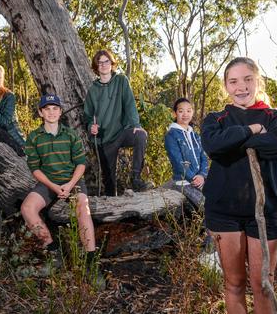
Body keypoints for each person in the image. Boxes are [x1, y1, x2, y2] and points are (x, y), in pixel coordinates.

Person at [201, 57, 277, 314]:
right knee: (235, 283)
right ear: (226, 86)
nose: (241, 86)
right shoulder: (216, 118)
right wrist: (252, 129)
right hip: (223, 212)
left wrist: (231, 143)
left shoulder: (275, 116)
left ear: (257, 81)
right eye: (234, 81)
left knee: (264, 285)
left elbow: (276, 145)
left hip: (264, 212)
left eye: (247, 79)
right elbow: (212, 146)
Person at [20, 94, 99, 269]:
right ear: (41, 113)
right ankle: (54, 252)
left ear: (60, 112)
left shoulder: (71, 135)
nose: (51, 112)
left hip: (73, 181)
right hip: (48, 183)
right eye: (47, 109)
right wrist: (54, 186)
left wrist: (70, 185)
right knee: (27, 208)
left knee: (83, 207)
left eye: (55, 108)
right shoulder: (34, 137)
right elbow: (35, 168)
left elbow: (81, 164)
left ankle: (91, 261)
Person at [84, 49, 151, 196]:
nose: (103, 65)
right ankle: (112, 211)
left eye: (106, 61)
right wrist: (91, 127)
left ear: (111, 63)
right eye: (99, 62)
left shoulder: (121, 80)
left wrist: (135, 125)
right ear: (96, 67)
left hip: (122, 132)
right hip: (105, 139)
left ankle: (135, 178)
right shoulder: (93, 90)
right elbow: (88, 116)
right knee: (109, 183)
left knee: (140, 136)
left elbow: (129, 104)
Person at [164, 97, 208, 208]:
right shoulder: (171, 135)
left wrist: (202, 175)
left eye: (188, 110)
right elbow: (177, 161)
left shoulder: (195, 135)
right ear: (175, 113)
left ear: (192, 112)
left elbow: (203, 156)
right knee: (206, 206)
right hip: (184, 182)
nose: (185, 114)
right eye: (181, 111)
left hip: (201, 179)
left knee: (222, 196)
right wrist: (194, 178)